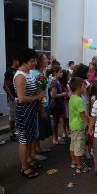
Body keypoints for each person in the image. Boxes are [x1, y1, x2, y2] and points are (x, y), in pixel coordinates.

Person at [14, 48, 45, 178]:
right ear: (24, 61)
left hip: (31, 110)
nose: (34, 63)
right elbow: (21, 99)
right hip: (24, 112)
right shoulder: (20, 76)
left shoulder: (29, 73)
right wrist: (38, 97)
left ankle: (28, 160)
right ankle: (24, 167)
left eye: (35, 60)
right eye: (32, 61)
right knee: (24, 139)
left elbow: (33, 92)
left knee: (30, 137)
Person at [31, 53, 52, 161]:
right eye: (45, 58)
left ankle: (38, 149)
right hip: (40, 106)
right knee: (37, 129)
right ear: (39, 62)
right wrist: (43, 109)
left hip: (42, 104)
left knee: (38, 129)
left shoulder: (38, 73)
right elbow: (40, 94)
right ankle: (34, 152)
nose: (47, 60)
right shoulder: (39, 75)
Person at [69, 77, 91, 173]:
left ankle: (73, 162)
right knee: (79, 147)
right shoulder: (79, 100)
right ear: (78, 88)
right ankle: (79, 166)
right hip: (79, 127)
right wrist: (90, 124)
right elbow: (83, 115)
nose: (85, 88)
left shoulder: (72, 97)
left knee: (73, 145)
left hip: (73, 126)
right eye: (83, 86)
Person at [49, 65, 67, 144]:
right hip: (56, 104)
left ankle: (56, 137)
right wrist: (63, 94)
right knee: (55, 122)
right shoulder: (54, 82)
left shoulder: (57, 81)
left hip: (59, 104)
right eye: (60, 72)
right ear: (55, 73)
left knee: (56, 122)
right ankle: (55, 139)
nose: (62, 73)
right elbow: (53, 95)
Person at [3, 55, 19, 141]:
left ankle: (17, 132)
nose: (19, 62)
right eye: (18, 60)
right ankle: (12, 133)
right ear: (14, 60)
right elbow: (5, 86)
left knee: (18, 116)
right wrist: (12, 97)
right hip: (13, 97)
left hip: (20, 97)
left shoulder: (19, 71)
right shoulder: (9, 72)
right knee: (12, 117)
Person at [60, 69, 71, 138]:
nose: (69, 76)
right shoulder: (62, 85)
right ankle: (64, 131)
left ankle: (68, 130)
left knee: (68, 118)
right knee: (64, 118)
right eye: (68, 75)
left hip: (68, 103)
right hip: (64, 103)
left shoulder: (67, 84)